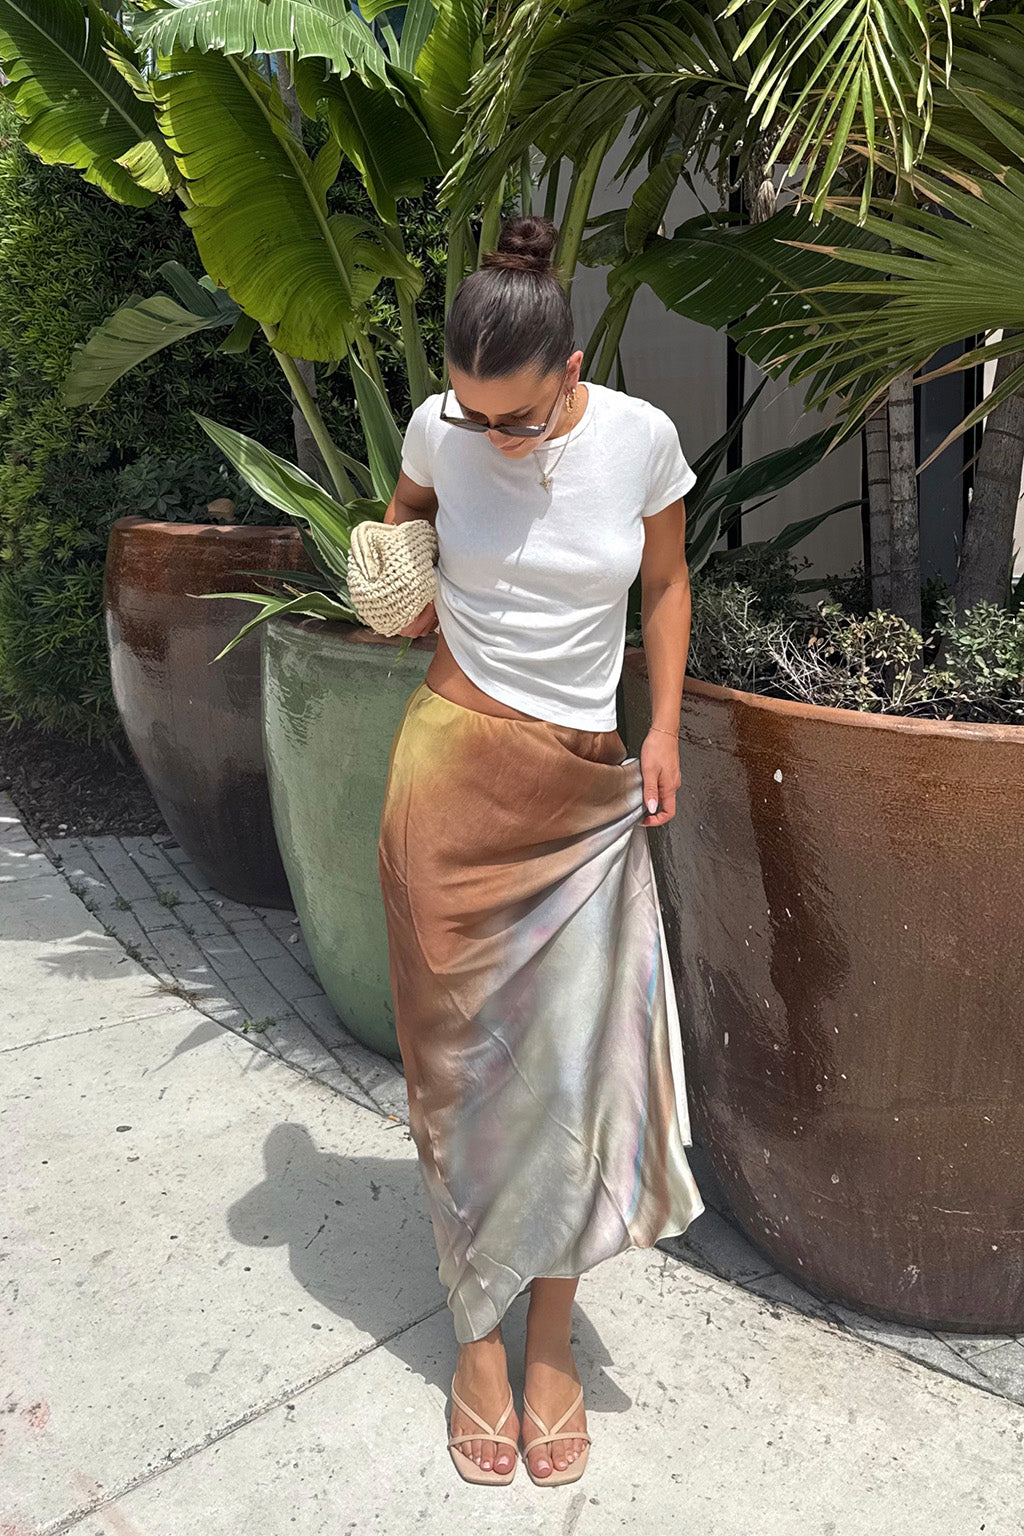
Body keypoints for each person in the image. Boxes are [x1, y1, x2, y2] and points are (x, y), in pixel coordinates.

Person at [376, 212, 705, 1488]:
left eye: (511, 415)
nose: (487, 435)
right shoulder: (440, 428)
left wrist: (660, 726)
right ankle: (475, 1335)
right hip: (448, 779)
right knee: (452, 1075)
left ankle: (552, 1340)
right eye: (469, 414)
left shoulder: (639, 440)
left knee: (574, 1075)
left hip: (580, 794)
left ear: (569, 372)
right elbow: (406, 511)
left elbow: (665, 586)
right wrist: (401, 583)